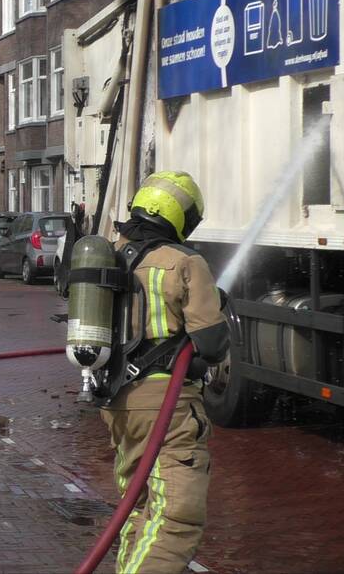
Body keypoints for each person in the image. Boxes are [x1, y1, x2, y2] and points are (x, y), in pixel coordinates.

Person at [102, 171, 229, 574]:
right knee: (176, 519)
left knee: (139, 510)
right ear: (182, 218)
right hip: (166, 411)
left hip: (120, 405)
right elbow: (211, 344)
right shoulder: (184, 263)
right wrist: (215, 304)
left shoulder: (109, 255)